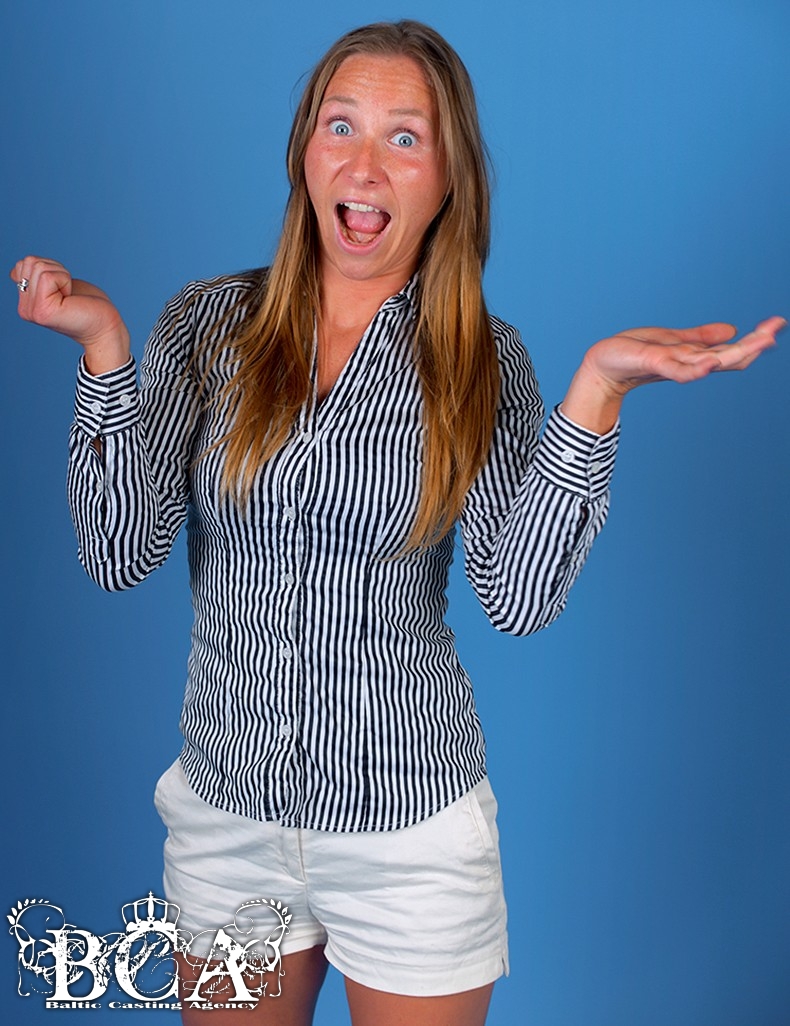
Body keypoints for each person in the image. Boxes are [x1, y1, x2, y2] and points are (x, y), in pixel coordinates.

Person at [10, 18, 783, 1026]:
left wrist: (597, 392)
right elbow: (118, 552)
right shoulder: (207, 324)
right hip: (226, 822)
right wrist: (104, 346)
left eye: (405, 137)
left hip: (408, 834)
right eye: (341, 125)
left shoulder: (480, 360)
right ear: (304, 151)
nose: (364, 163)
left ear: (449, 179)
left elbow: (517, 598)